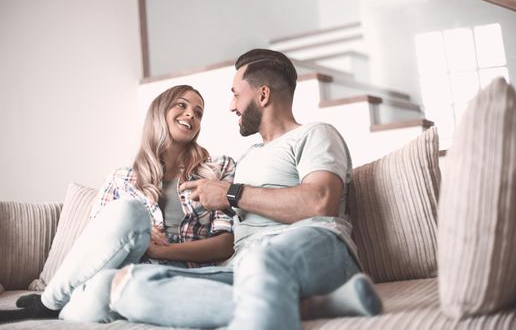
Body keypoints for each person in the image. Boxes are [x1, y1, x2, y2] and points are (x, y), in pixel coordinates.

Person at [104, 49, 383, 330]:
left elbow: (319, 202)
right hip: (243, 263)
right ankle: (313, 306)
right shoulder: (246, 158)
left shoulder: (315, 134)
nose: (231, 106)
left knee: (262, 259)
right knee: (130, 288)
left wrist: (231, 193)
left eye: (236, 94)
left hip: (313, 246)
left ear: (262, 95)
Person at [0, 85, 236, 323]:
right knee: (130, 213)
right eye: (182, 105)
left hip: (165, 281)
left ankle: (47, 304)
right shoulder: (121, 178)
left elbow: (225, 243)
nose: (191, 115)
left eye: (198, 113)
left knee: (104, 285)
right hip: (119, 271)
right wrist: (140, 232)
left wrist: (160, 250)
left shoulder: (218, 169)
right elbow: (96, 243)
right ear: (159, 111)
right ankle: (52, 302)